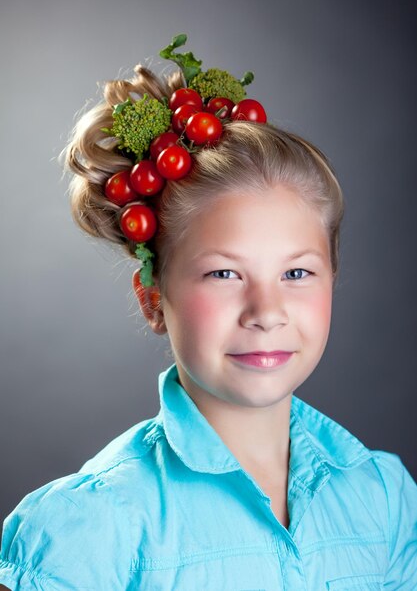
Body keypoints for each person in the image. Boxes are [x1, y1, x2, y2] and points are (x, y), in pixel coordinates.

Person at [0, 35, 416, 590]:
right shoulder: (88, 532)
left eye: (297, 273)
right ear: (153, 299)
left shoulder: (383, 497)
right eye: (224, 274)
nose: (266, 312)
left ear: (333, 280)